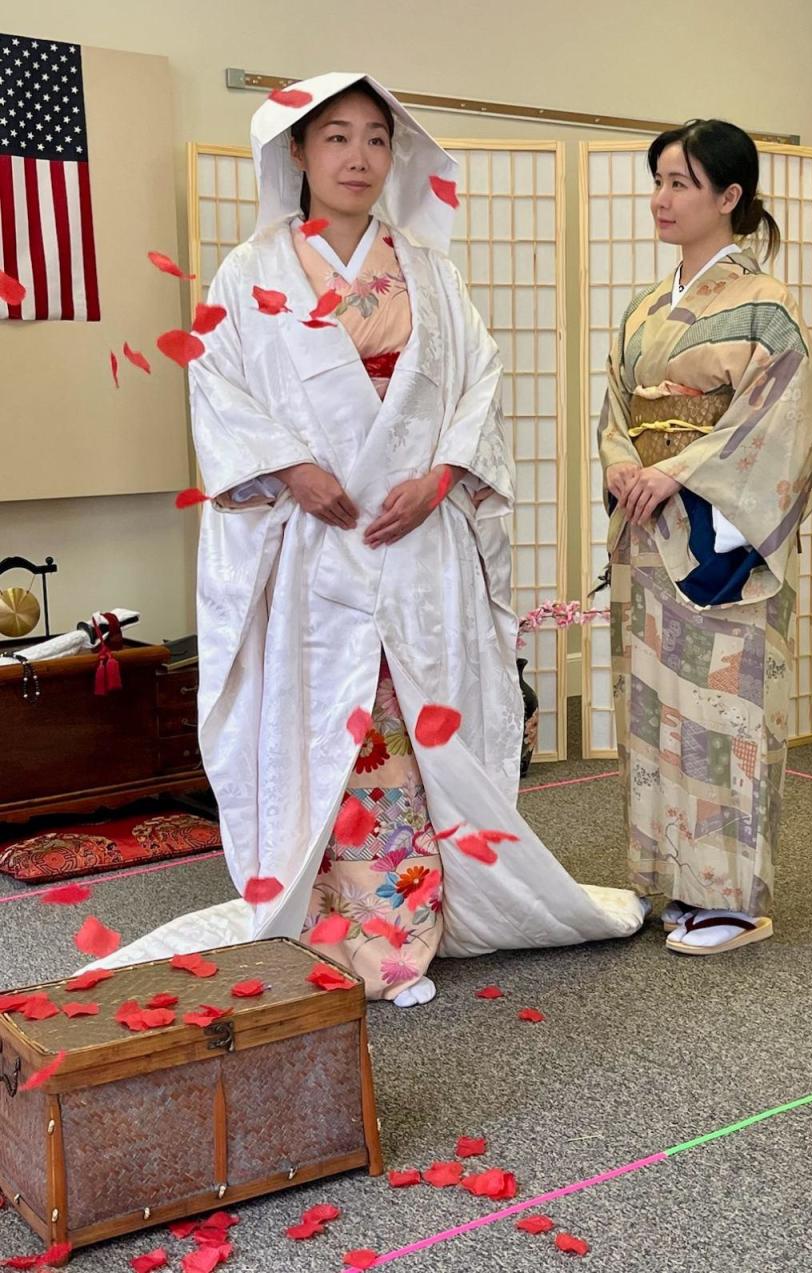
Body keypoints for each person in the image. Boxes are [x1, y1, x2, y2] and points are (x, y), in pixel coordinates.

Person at [90, 73, 644, 1004]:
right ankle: (339, 926)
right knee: (329, 734)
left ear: (396, 156)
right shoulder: (250, 271)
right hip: (311, 542)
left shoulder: (429, 272)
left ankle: (414, 915)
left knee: (415, 724)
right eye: (336, 137)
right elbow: (218, 393)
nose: (357, 157)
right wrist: (287, 468)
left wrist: (441, 478)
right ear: (298, 153)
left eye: (376, 139)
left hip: (416, 538)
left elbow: (479, 385)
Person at [600, 119, 812, 956]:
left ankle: (732, 898)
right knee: (657, 709)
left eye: (682, 183)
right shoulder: (645, 309)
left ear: (730, 197)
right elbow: (614, 414)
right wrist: (624, 465)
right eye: (658, 180)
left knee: (723, 712)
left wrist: (681, 470)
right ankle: (671, 879)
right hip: (651, 529)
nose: (662, 198)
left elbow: (783, 421)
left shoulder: (768, 306)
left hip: (721, 539)